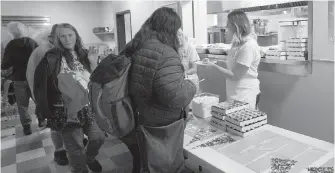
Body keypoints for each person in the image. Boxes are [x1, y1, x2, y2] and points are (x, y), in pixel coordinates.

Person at [120, 7, 197, 173]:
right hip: (163, 122)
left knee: (145, 160)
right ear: (170, 29)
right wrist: (192, 85)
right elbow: (175, 96)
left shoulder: (138, 44)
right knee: (164, 163)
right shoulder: (165, 53)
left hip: (141, 114)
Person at [34, 23, 105, 173]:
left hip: (88, 106)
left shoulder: (85, 54)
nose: (67, 39)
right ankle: (80, 169)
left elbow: (96, 80)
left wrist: (93, 63)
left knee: (98, 137)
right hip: (65, 111)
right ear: (58, 39)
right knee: (76, 149)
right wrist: (42, 112)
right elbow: (40, 86)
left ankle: (90, 158)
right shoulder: (51, 58)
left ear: (76, 36)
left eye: (70, 35)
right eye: (63, 36)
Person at [207, 10, 261, 109]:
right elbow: (234, 65)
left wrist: (214, 66)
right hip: (235, 91)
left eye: (228, 25)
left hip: (245, 93)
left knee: (243, 122)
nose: (226, 28)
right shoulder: (237, 43)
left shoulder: (248, 47)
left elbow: (235, 75)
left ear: (235, 26)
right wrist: (218, 62)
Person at [2, 22, 38, 135]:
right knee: (39, 100)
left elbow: (5, 65)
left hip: (19, 78)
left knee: (22, 105)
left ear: (12, 32)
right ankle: (41, 120)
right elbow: (40, 57)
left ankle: (27, 127)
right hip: (34, 77)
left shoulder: (10, 45)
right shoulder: (32, 42)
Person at [177, 29, 200, 93]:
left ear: (184, 36)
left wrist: (183, 74)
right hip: (178, 82)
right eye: (175, 36)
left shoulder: (190, 49)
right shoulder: (172, 50)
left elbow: (194, 69)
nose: (178, 38)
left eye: (180, 35)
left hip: (191, 81)